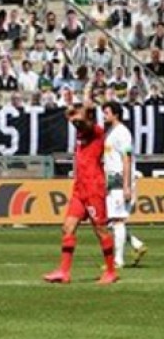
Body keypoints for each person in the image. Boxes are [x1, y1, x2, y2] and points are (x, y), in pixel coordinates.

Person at [44, 105, 118, 284]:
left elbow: (81, 119)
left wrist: (77, 112)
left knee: (101, 230)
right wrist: (72, 112)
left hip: (93, 188)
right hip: (80, 188)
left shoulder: (96, 131)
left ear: (90, 118)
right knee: (68, 227)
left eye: (79, 116)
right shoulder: (80, 132)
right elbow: (74, 118)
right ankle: (63, 272)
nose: (75, 121)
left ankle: (111, 271)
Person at [100, 102, 147, 269]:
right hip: (112, 179)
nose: (104, 116)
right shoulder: (110, 133)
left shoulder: (123, 133)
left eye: (106, 112)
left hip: (120, 179)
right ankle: (136, 244)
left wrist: (127, 185)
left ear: (116, 114)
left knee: (117, 220)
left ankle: (118, 260)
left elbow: (127, 158)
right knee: (111, 220)